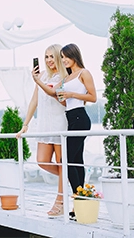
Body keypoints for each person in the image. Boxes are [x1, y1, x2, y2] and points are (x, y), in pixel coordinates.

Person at [32, 43, 97, 217]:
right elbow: (55, 95)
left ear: (74, 55)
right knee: (75, 161)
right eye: (62, 57)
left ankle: (80, 199)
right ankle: (81, 202)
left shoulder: (84, 73)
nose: (64, 60)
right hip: (70, 118)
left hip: (81, 119)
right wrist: (39, 81)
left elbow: (93, 97)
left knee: (67, 160)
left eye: (65, 56)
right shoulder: (66, 78)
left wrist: (72, 95)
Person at [16, 44, 68, 217]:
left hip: (60, 123)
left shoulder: (64, 76)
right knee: (42, 161)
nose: (49, 60)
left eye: (52, 56)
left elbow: (53, 93)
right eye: (46, 57)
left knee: (62, 164)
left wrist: (38, 81)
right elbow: (34, 101)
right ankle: (69, 176)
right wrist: (26, 124)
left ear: (59, 57)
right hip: (45, 125)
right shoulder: (43, 75)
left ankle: (60, 202)